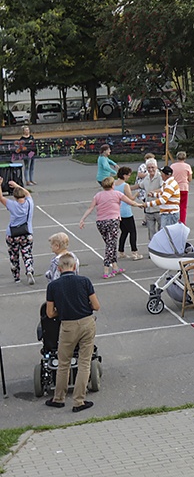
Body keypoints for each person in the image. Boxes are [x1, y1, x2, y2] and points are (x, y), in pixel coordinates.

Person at [43, 253, 100, 413]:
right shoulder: (84, 281)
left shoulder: (53, 286)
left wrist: (60, 311)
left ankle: (58, 398)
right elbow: (96, 305)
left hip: (67, 326)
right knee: (84, 362)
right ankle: (79, 401)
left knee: (63, 363)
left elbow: (49, 313)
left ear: (59, 268)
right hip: (86, 323)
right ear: (74, 266)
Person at [79, 176, 143, 279]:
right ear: (112, 185)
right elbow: (131, 202)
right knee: (110, 245)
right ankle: (106, 269)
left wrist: (83, 219)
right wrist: (141, 205)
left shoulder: (98, 195)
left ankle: (115, 266)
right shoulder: (117, 194)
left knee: (110, 244)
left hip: (101, 223)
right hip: (113, 221)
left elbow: (91, 208)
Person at [0, 178, 35, 285]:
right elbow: (28, 193)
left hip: (13, 234)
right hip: (26, 233)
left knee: (14, 255)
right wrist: (16, 185)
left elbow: (0, 197)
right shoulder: (29, 203)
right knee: (27, 253)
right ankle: (29, 269)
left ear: (14, 197)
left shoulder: (12, 204)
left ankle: (17, 277)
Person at [113, 167, 141, 261]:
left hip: (117, 211)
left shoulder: (114, 184)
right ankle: (134, 252)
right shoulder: (125, 185)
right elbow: (130, 199)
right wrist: (137, 194)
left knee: (124, 231)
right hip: (126, 211)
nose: (129, 177)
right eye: (128, 175)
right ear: (124, 175)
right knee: (132, 231)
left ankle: (121, 251)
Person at [136, 159, 162, 239]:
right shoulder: (146, 177)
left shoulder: (160, 177)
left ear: (156, 167)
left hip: (159, 208)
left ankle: (162, 247)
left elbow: (163, 189)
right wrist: (124, 187)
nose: (150, 169)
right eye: (148, 168)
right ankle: (153, 247)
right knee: (151, 231)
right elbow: (140, 185)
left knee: (161, 230)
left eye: (152, 167)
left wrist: (153, 192)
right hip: (148, 209)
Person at [170, 151, 193, 225]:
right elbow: (190, 179)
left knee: (174, 205)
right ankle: (182, 221)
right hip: (184, 188)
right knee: (183, 207)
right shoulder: (187, 166)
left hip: (174, 187)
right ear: (185, 158)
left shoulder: (172, 166)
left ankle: (174, 220)